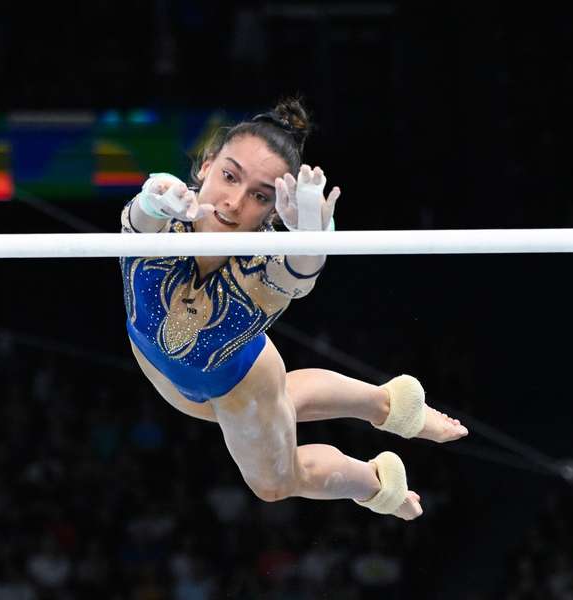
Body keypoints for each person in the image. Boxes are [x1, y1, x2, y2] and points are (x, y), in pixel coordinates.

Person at [119, 98, 468, 520]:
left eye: (259, 195)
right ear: (207, 165)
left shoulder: (264, 265)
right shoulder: (163, 218)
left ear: (272, 212)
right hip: (174, 373)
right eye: (229, 176)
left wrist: (309, 238)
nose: (233, 202)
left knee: (276, 483)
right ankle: (392, 406)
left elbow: (299, 273)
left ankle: (377, 483)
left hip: (241, 382)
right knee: (281, 405)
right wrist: (153, 198)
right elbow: (140, 216)